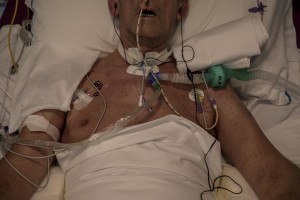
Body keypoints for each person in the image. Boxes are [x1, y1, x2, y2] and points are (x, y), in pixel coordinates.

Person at [0, 0, 300, 199]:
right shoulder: (73, 78)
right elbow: (25, 163)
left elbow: (269, 172)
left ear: (180, 9)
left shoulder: (206, 84)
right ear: (114, 5)